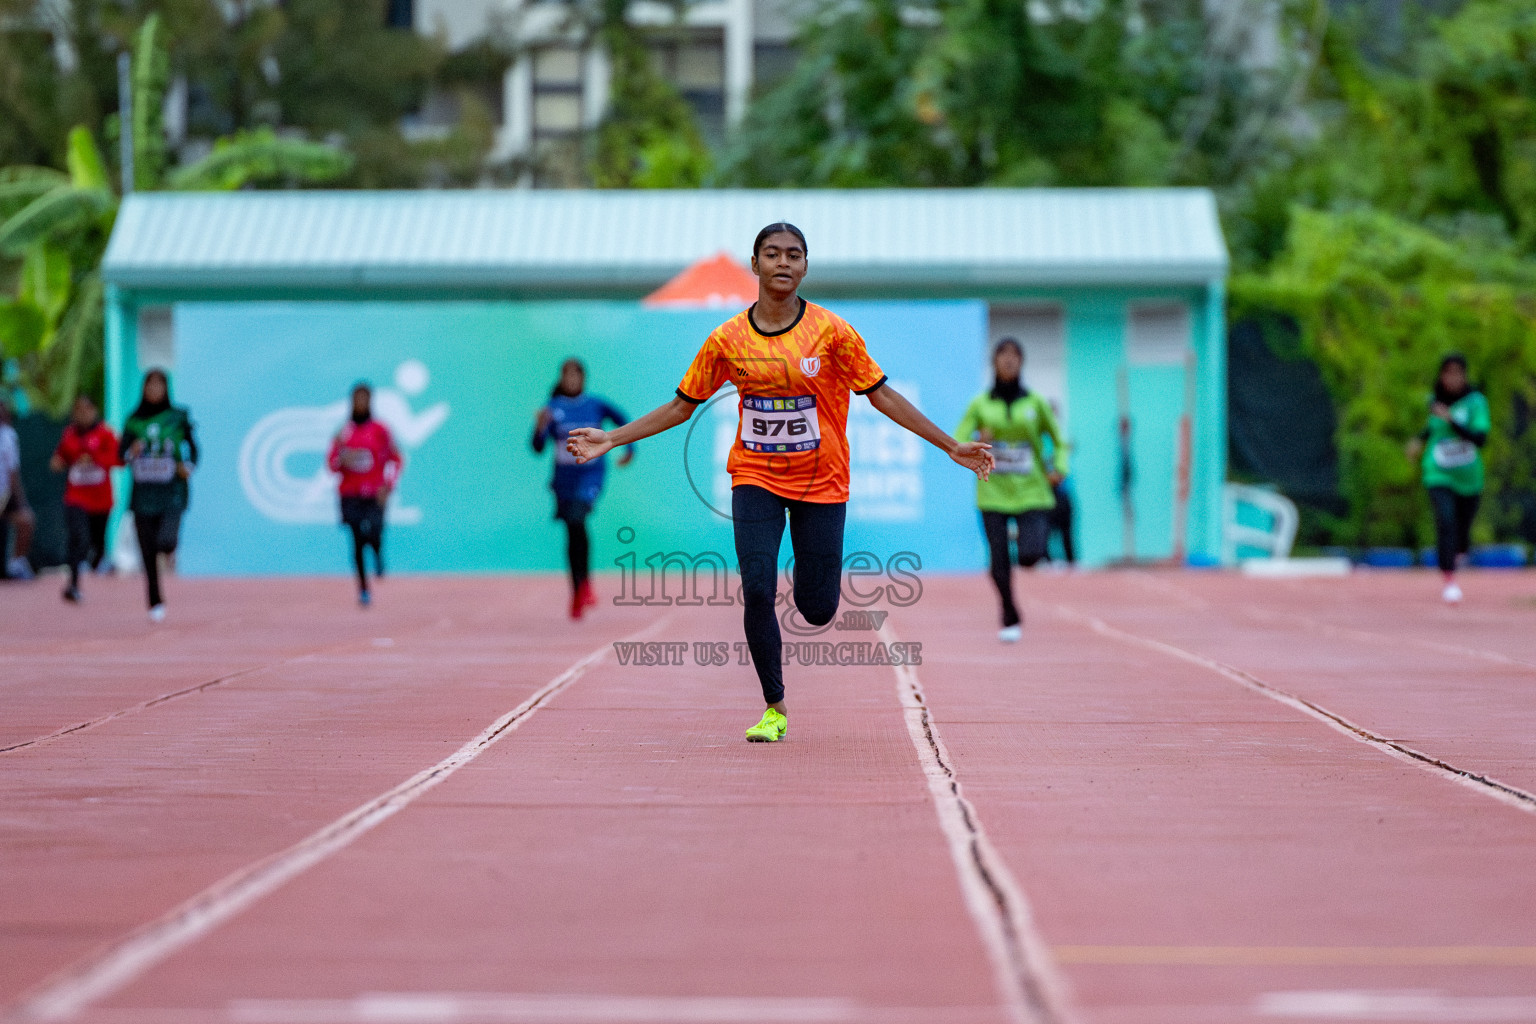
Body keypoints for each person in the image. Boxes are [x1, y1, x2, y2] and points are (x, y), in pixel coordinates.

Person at [567, 222, 994, 743]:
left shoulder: (832, 332)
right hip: (755, 477)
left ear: (806, 266)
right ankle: (774, 707)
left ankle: (810, 606)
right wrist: (613, 438)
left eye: (794, 255)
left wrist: (950, 445)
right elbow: (684, 405)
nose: (783, 263)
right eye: (772, 254)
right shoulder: (727, 339)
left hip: (822, 482)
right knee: (758, 590)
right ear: (756, 265)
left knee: (817, 610)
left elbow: (881, 394)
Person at [954, 338, 1062, 643]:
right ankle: (1008, 610)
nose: (1009, 361)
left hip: (1032, 490)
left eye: (1015, 355)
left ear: (1022, 362)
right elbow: (959, 439)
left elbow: (1059, 437)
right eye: (1003, 355)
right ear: (994, 362)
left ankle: (1028, 547)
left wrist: (1060, 467)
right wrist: (978, 436)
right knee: (998, 561)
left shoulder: (1036, 403)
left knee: (1030, 554)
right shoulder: (980, 404)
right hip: (993, 491)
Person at [531, 359, 633, 619]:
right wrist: (540, 426)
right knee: (572, 529)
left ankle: (585, 584)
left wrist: (629, 448)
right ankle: (576, 589)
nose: (572, 381)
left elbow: (622, 419)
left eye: (577, 376)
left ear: (584, 379)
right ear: (562, 379)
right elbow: (538, 447)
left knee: (578, 519)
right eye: (567, 376)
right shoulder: (552, 409)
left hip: (590, 475)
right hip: (564, 479)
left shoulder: (595, 404)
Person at [1406, 353, 1488, 604]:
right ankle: (1449, 580)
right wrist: (1418, 441)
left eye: (1457, 373)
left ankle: (1459, 552)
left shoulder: (1475, 403)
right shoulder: (1434, 401)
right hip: (1438, 472)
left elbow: (1480, 439)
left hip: (1469, 477)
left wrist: (1451, 419)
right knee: (1446, 520)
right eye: (1447, 373)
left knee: (1462, 532)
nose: (1452, 378)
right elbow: (1433, 427)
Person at [122, 369, 197, 622]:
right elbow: (120, 455)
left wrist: (187, 467)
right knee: (148, 550)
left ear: (166, 389)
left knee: (165, 540)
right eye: (150, 386)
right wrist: (130, 452)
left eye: (159, 386)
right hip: (143, 494)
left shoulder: (178, 417)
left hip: (172, 491)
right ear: (143, 389)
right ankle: (154, 600)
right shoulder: (133, 421)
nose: (154, 391)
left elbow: (193, 449)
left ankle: (171, 549)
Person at [327, 383, 402, 607]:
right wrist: (342, 459)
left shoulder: (381, 431)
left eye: (364, 399)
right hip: (350, 494)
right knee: (357, 539)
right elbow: (331, 465)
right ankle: (363, 589)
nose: (360, 403)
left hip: (375, 493)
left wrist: (388, 486)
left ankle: (378, 554)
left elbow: (396, 459)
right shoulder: (343, 432)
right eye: (356, 399)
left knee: (376, 530)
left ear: (370, 401)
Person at [50, 394, 120, 603]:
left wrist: (94, 458)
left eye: (86, 409)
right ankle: (73, 584)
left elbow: (118, 460)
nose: (82, 414)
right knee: (78, 538)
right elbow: (58, 459)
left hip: (100, 500)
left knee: (97, 542)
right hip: (76, 497)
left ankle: (100, 560)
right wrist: (60, 463)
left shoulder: (105, 434)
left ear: (94, 411)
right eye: (78, 410)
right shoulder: (69, 434)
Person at [0, 391, 36, 580]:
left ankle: (16, 563)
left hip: (4, 493)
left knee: (26, 520)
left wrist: (18, 499)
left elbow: (12, 470)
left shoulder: (7, 435)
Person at [1042, 400, 1076, 568]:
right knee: (1044, 529)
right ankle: (1046, 561)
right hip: (1047, 490)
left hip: (1063, 490)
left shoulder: (1061, 436)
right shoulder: (1041, 439)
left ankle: (1072, 562)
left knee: (1067, 529)